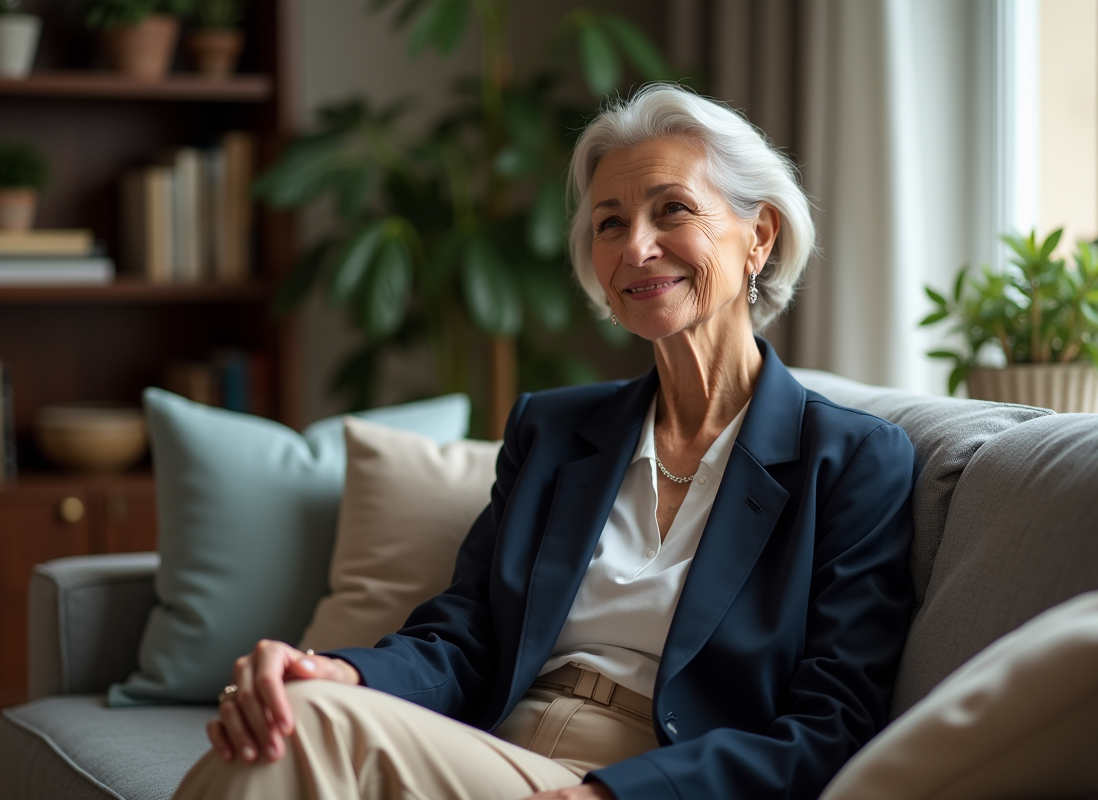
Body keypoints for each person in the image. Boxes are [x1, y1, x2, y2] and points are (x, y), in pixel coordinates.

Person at [174, 83, 916, 800]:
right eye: (610, 223)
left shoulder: (851, 461)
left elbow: (833, 727)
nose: (638, 247)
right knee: (293, 713)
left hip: (662, 777)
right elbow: (465, 637)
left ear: (759, 236)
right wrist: (339, 675)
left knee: (288, 734)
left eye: (672, 211)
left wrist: (613, 794)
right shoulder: (552, 431)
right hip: (492, 750)